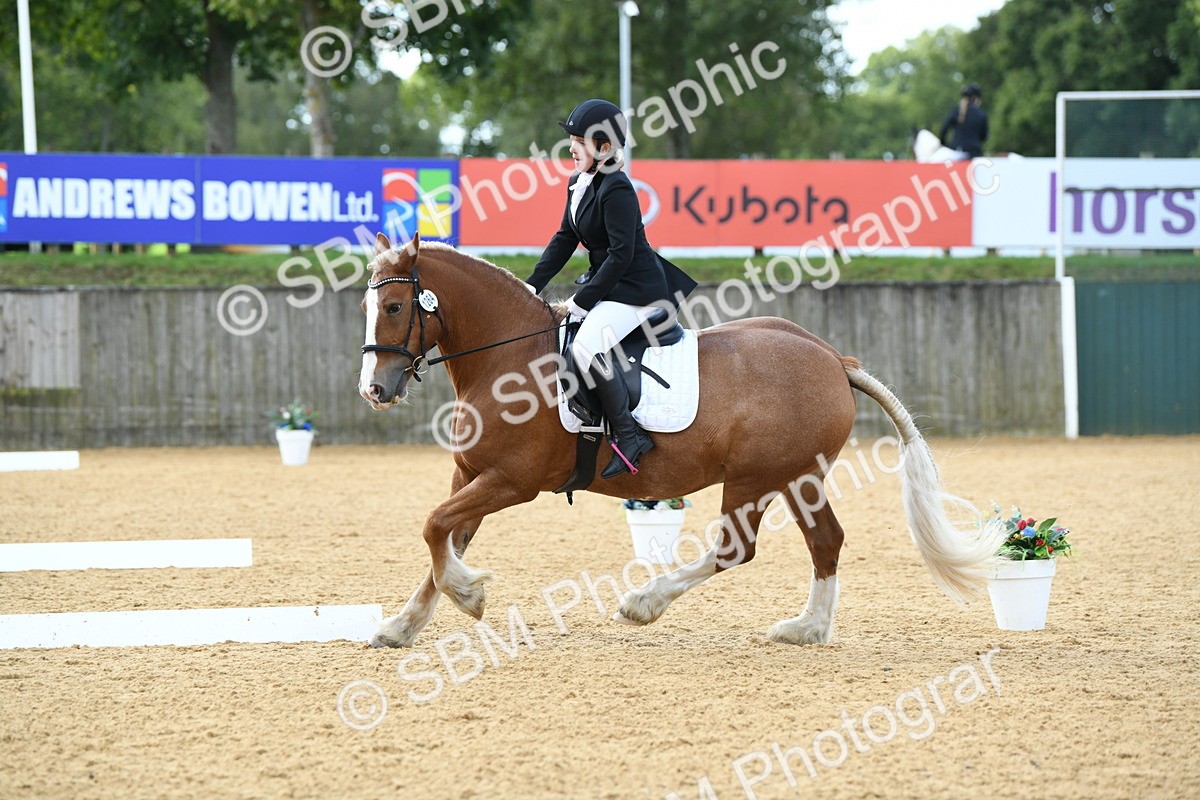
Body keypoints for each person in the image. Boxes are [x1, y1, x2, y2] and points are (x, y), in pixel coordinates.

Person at [524, 98, 698, 478]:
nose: (571, 147)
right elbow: (564, 238)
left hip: (636, 288)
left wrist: (582, 302)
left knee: (587, 345)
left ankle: (629, 434)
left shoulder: (618, 188)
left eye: (579, 141)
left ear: (604, 148)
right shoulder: (578, 183)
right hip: (611, 283)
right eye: (571, 139)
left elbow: (621, 255)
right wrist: (529, 286)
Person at [938, 84, 989, 159]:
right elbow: (984, 136)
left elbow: (944, 129)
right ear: (976, 98)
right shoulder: (982, 114)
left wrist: (944, 143)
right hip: (974, 155)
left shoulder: (956, 111)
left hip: (956, 152)